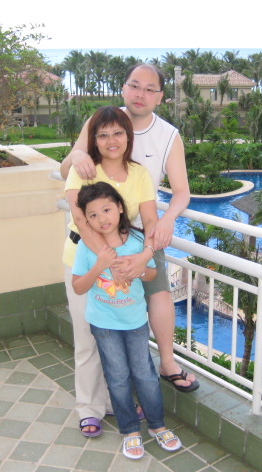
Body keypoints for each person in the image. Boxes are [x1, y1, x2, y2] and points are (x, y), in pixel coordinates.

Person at [60, 63, 200, 396]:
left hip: (144, 230)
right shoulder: (102, 121)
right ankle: (109, 398)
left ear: (160, 97)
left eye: (150, 89)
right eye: (135, 86)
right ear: (123, 88)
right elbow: (67, 169)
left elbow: (182, 191)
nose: (141, 94)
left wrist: (167, 221)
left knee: (159, 293)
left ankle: (167, 363)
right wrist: (77, 154)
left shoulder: (168, 135)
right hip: (97, 235)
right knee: (101, 322)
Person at [63, 106, 159, 437]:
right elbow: (80, 219)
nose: (111, 140)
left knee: (117, 336)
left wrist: (143, 256)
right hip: (85, 260)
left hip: (128, 264)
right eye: (102, 135)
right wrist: (110, 259)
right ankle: (89, 408)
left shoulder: (139, 174)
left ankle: (115, 403)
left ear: (128, 136)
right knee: (88, 339)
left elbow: (151, 221)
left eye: (117, 132)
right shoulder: (84, 170)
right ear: (94, 140)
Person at [72, 182, 182, 460]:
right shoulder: (87, 246)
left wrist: (137, 269)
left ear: (120, 208)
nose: (101, 219)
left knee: (145, 375)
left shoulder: (136, 240)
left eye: (106, 209)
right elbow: (78, 287)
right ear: (86, 220)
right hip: (104, 325)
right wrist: (99, 266)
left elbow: (152, 274)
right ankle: (130, 430)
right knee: (118, 377)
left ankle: (157, 425)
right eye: (93, 215)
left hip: (135, 323)